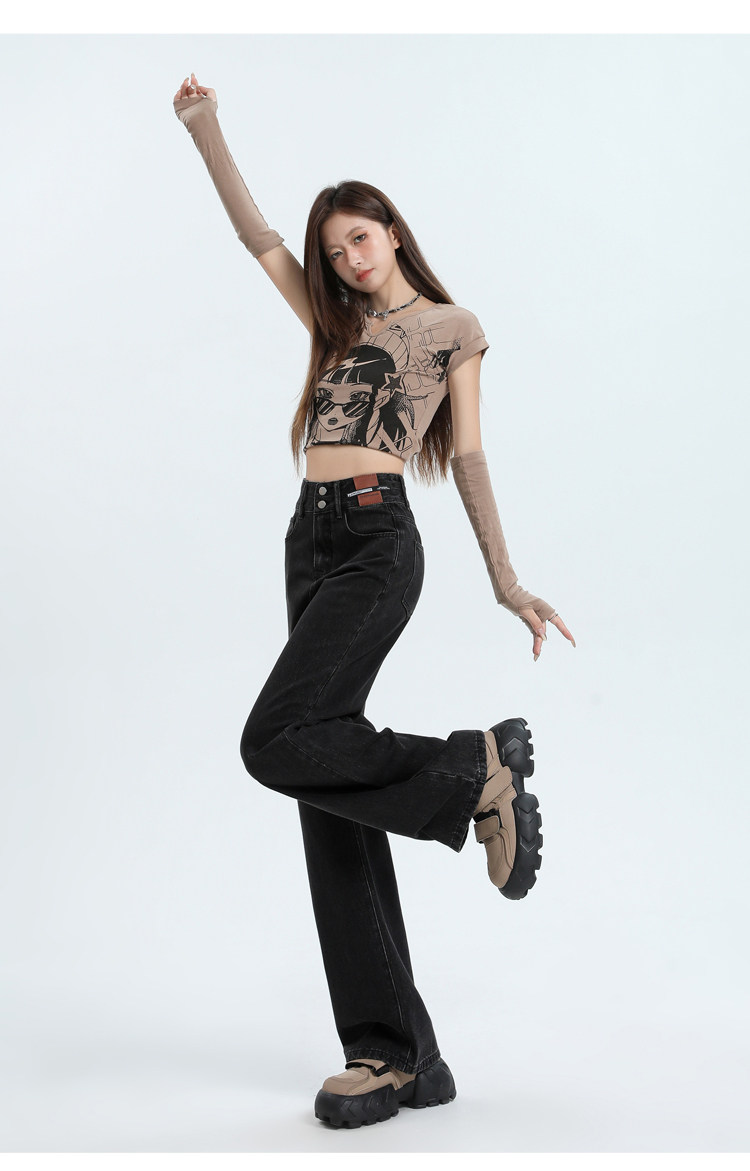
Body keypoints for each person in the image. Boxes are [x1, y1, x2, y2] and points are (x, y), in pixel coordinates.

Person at [172, 72, 576, 1130]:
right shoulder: (333, 319)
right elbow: (259, 238)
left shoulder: (451, 325)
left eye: (362, 237)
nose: (351, 258)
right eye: (338, 248)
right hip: (308, 541)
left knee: (274, 739)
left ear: (393, 231)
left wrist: (505, 580)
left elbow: (470, 453)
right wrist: (205, 128)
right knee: (322, 779)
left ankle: (469, 771)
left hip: (376, 539)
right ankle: (398, 1055)